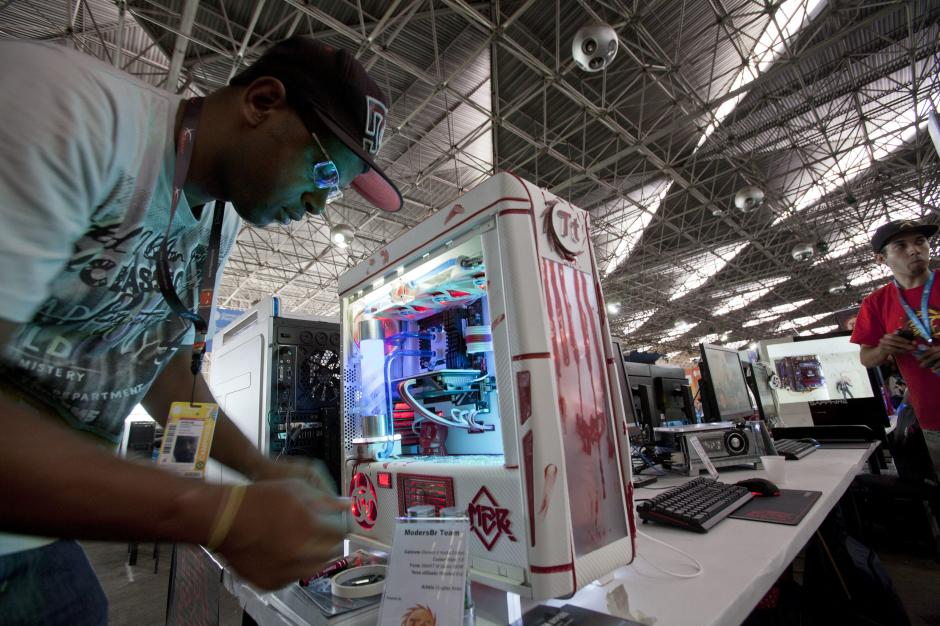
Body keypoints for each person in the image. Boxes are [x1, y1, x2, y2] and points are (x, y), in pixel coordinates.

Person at [0, 35, 402, 625]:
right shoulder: (67, 114)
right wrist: (219, 514)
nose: (320, 204)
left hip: (35, 528)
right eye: (321, 169)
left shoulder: (219, 218)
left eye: (334, 187)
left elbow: (154, 361)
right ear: (261, 101)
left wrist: (262, 469)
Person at [850, 219, 940, 482]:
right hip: (933, 419)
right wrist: (884, 348)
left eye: (920, 242)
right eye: (901, 245)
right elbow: (866, 357)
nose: (914, 250)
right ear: (881, 258)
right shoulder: (876, 303)